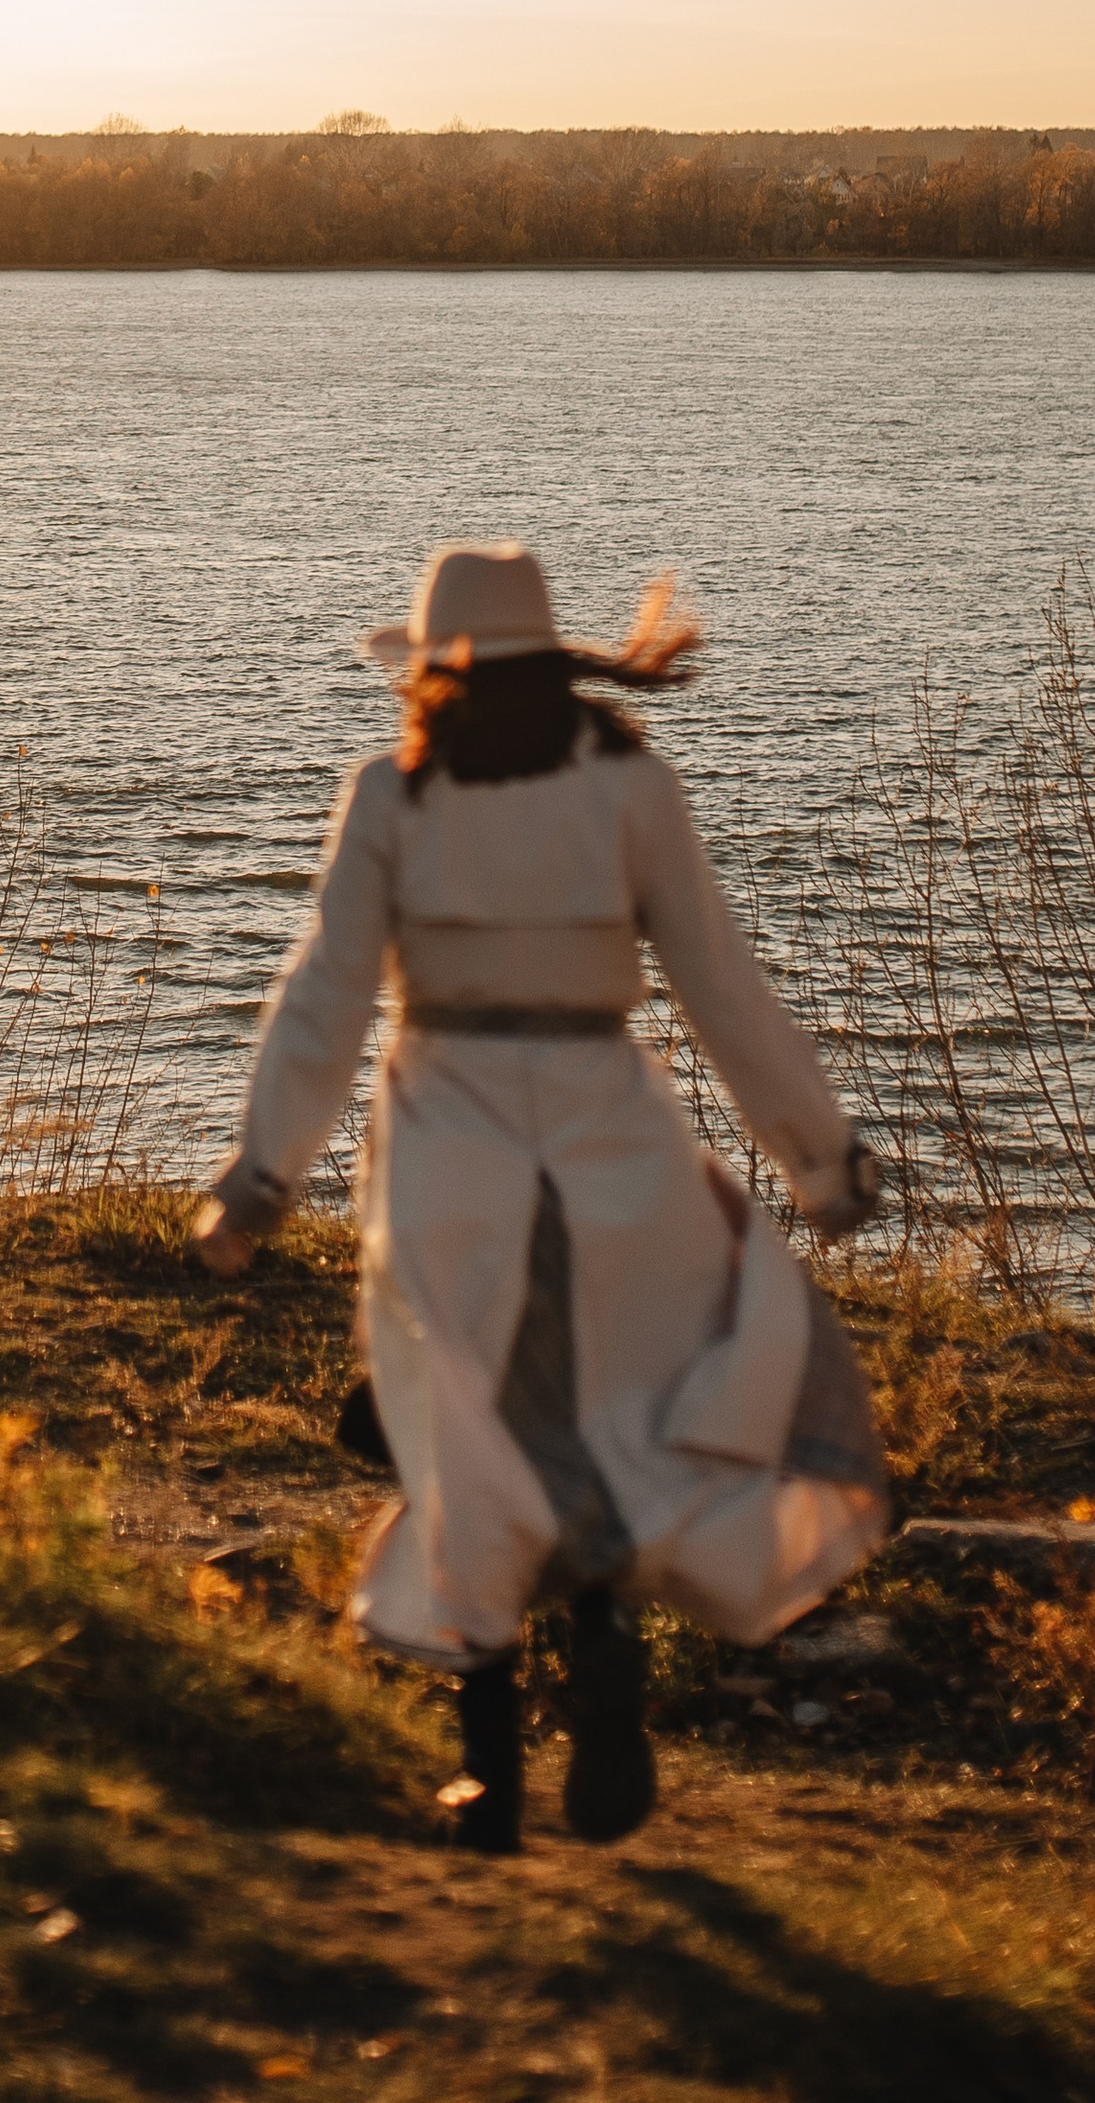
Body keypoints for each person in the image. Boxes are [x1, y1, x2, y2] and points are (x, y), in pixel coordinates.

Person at [190, 540, 888, 1854]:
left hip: (451, 1159)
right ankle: (608, 1648)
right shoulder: (630, 788)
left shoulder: (394, 797)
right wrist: (820, 1160)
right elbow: (723, 985)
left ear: (435, 673)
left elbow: (325, 1001)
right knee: (612, 1417)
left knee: (465, 1444)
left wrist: (263, 1175)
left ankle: (492, 1777)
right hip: (611, 1149)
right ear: (555, 666)